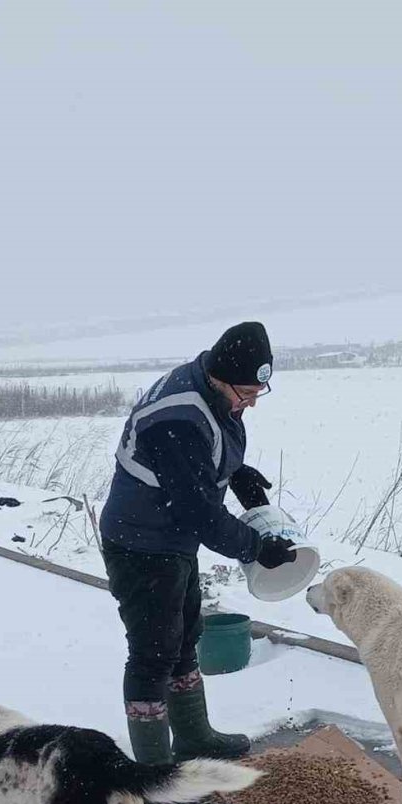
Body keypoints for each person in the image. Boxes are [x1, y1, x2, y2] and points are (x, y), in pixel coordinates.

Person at [99, 321, 297, 765]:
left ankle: (193, 737)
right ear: (219, 376)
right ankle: (154, 772)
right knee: (153, 652)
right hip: (140, 545)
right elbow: (199, 514)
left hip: (171, 541)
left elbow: (200, 466)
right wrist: (256, 547)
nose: (248, 404)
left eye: (256, 394)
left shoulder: (209, 389)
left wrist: (237, 473)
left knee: (185, 634)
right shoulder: (179, 417)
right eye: (244, 394)